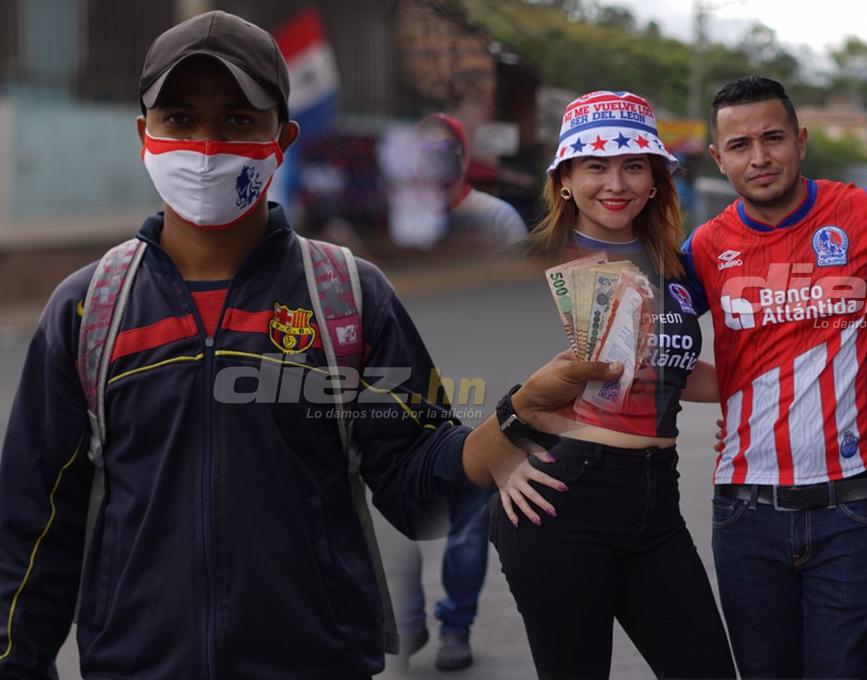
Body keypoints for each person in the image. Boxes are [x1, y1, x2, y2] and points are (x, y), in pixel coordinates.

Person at [0, 12, 620, 680]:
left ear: (281, 137)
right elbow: (32, 532)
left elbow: (417, 487)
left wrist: (516, 418)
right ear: (145, 133)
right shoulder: (89, 309)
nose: (206, 146)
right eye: (180, 119)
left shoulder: (348, 297)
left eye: (239, 120)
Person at [491, 90, 736, 680]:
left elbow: (668, 374)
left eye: (632, 165)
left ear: (655, 179)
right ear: (566, 179)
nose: (615, 181)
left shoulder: (674, 266)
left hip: (657, 502)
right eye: (595, 165)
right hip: (561, 500)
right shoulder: (527, 262)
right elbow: (453, 375)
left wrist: (764, 378)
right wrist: (498, 458)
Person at [682, 76, 867, 679]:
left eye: (773, 138)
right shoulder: (705, 247)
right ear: (718, 158)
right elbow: (651, 352)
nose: (759, 158)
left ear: (801, 140)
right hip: (744, 516)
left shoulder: (866, 211)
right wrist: (735, 395)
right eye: (739, 146)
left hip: (851, 512)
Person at [387, 113, 524, 673]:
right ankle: (410, 619)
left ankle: (456, 624)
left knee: (466, 529)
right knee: (394, 525)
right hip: (399, 401)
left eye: (446, 151)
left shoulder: (496, 221)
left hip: (476, 399)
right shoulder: (397, 222)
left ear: (464, 158)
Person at [418, 113, 528, 250]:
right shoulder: (408, 222)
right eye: (425, 148)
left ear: (464, 160)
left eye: (446, 147)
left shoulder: (498, 218)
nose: (436, 156)